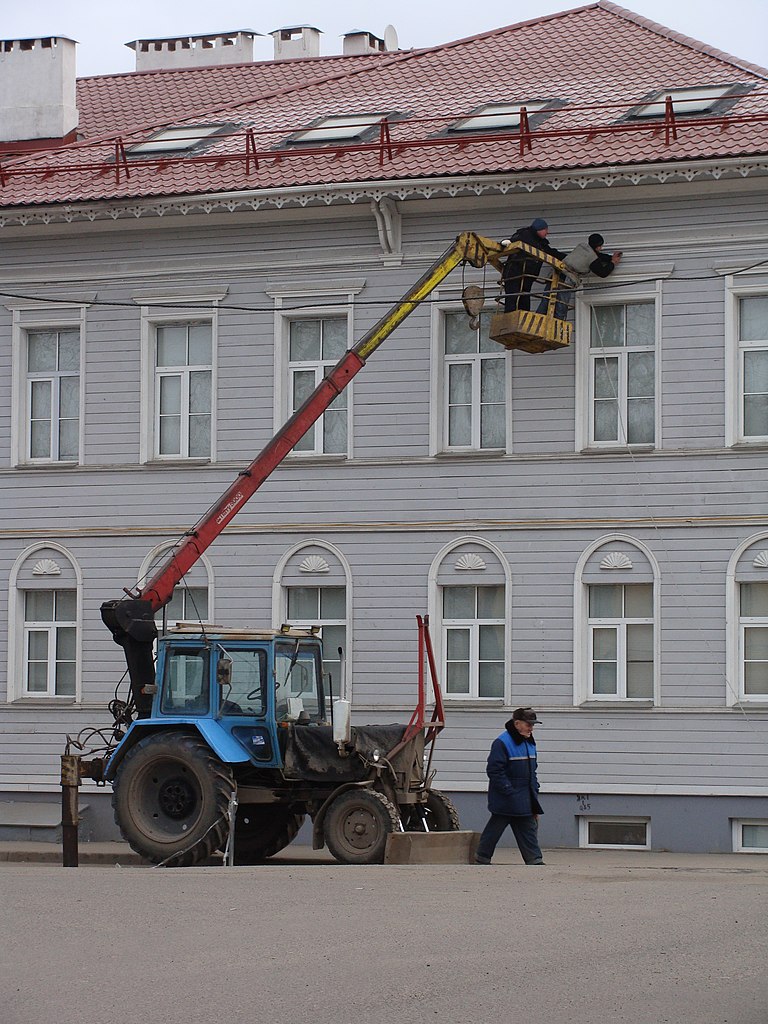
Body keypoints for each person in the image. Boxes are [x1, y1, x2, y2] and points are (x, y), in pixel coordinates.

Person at [475, 707, 545, 865]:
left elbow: (532, 771)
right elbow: (494, 771)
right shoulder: (502, 742)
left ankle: (534, 860)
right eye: (528, 724)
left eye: (532, 725)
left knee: (526, 827)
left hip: (524, 796)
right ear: (517, 723)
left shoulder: (529, 742)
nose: (531, 728)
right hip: (507, 796)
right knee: (497, 828)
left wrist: (534, 791)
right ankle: (482, 857)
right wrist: (509, 791)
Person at [537, 233, 623, 319]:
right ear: (598, 246)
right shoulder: (592, 258)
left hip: (556, 273)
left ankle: (537, 320)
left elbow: (598, 256)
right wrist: (613, 263)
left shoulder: (582, 247)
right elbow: (603, 273)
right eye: (600, 246)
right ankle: (557, 328)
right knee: (561, 307)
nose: (601, 248)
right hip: (566, 279)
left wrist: (610, 257)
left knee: (545, 302)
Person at [501, 218, 566, 312]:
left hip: (527, 275)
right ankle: (510, 316)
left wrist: (565, 258)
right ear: (539, 229)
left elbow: (550, 252)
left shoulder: (541, 242)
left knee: (524, 297)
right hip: (515, 272)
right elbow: (512, 241)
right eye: (545, 230)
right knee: (512, 297)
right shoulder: (524, 235)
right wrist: (505, 243)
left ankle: (523, 315)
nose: (547, 233)